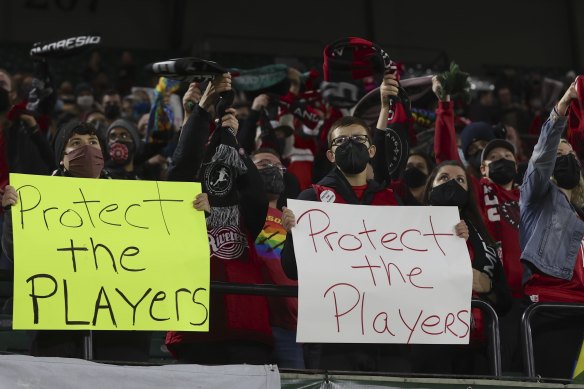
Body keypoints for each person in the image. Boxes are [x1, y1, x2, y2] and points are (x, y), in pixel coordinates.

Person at [281, 73, 469, 372]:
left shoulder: (393, 199)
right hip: (333, 335)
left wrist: (452, 235)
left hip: (389, 335)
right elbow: (291, 269)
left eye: (358, 139)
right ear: (331, 154)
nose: (350, 145)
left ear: (371, 150)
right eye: (342, 141)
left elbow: (422, 256)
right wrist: (292, 234)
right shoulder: (311, 198)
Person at [2, 120, 152, 361]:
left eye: (93, 142)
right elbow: (18, 253)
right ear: (61, 158)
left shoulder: (132, 196)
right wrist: (12, 213)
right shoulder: (36, 199)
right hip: (58, 330)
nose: (88, 149)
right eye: (76, 143)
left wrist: (193, 211)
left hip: (119, 329)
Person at [165, 74, 273, 365]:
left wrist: (234, 141)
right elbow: (182, 166)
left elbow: (256, 193)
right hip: (195, 329)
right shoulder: (180, 205)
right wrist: (199, 112)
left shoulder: (246, 214)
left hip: (246, 329)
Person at [433, 75, 524, 373]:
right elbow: (447, 160)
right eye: (490, 155)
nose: (500, 159)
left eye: (505, 154)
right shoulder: (479, 189)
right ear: (481, 167)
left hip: (530, 297)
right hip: (495, 298)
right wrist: (445, 107)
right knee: (498, 372)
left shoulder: (529, 196)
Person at [411, 159, 512, 375]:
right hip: (425, 340)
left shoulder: (483, 237)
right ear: (430, 187)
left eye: (460, 180)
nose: (452, 184)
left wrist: (488, 287)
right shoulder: (408, 228)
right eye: (444, 178)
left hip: (476, 346)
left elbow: (504, 301)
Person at [519, 78, 584, 379]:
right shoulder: (535, 199)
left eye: (569, 155)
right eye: (558, 156)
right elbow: (542, 155)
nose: (564, 158)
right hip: (554, 310)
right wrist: (561, 109)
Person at [251, 148, 304, 369]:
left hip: (291, 328)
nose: (272, 169)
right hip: (250, 325)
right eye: (263, 164)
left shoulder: (298, 221)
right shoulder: (237, 215)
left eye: (278, 167)